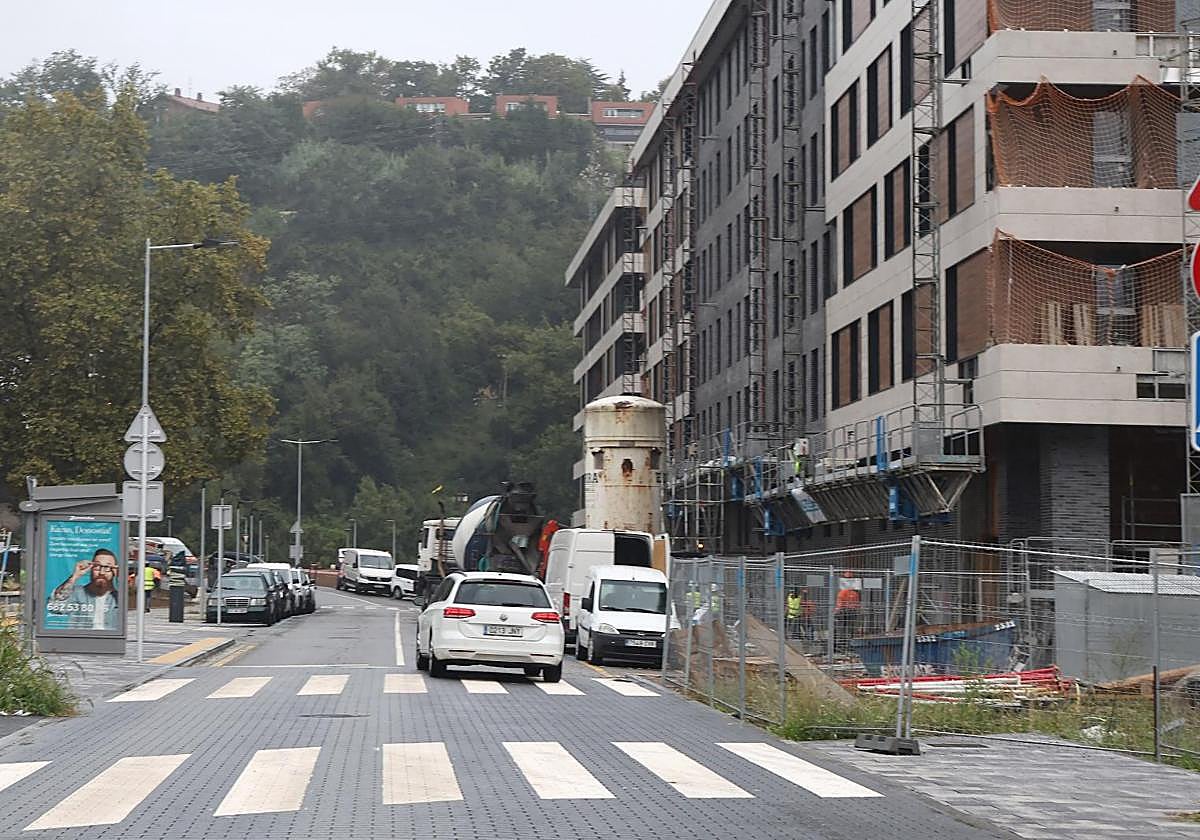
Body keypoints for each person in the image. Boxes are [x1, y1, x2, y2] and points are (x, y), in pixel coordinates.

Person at [48, 549, 121, 630]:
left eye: (107, 567)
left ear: (114, 571)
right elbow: (54, 607)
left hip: (110, 642)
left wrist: (119, 577)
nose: (101, 572)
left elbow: (131, 614)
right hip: (80, 641)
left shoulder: (118, 598)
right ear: (91, 568)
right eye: (97, 566)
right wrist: (75, 576)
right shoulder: (77, 593)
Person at [834, 570, 862, 652]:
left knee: (841, 630)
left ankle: (841, 646)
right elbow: (857, 604)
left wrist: (836, 612)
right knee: (850, 630)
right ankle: (850, 646)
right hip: (852, 612)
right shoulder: (855, 593)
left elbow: (840, 603)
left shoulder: (842, 592)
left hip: (843, 612)